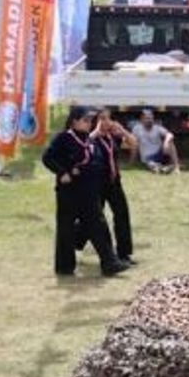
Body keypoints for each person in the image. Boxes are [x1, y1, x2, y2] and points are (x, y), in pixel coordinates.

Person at [41, 106, 129, 277]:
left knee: (98, 225)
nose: (89, 124)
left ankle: (109, 262)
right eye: (85, 120)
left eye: (90, 121)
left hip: (89, 191)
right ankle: (65, 267)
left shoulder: (89, 139)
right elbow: (47, 157)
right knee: (66, 228)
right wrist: (63, 172)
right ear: (74, 121)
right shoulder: (64, 138)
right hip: (69, 192)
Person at [93, 110, 136, 265]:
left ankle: (124, 253)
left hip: (114, 182)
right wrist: (96, 132)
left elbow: (133, 143)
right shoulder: (92, 138)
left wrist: (122, 130)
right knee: (95, 219)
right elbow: (84, 146)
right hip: (97, 184)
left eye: (109, 118)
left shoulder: (112, 137)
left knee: (122, 214)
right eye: (102, 118)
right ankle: (77, 240)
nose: (106, 121)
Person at [129, 109, 181, 174]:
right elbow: (134, 144)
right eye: (147, 118)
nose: (149, 120)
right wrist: (132, 162)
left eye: (151, 118)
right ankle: (164, 168)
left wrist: (166, 142)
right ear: (141, 120)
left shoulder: (157, 128)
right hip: (148, 158)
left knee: (171, 142)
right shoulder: (137, 129)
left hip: (159, 154)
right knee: (151, 165)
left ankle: (176, 167)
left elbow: (170, 135)